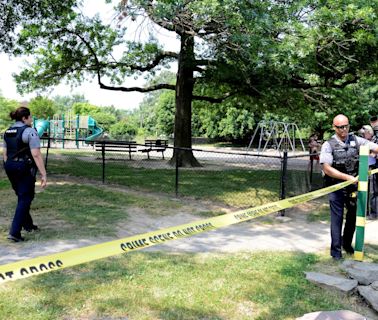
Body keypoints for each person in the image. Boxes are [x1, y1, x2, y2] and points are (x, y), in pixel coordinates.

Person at [320, 114, 378, 260]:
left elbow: (375, 147)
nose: (344, 129)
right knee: (337, 218)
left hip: (353, 187)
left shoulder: (356, 140)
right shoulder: (328, 145)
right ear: (334, 127)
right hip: (336, 186)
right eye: (340, 127)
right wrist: (346, 178)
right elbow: (326, 168)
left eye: (346, 126)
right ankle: (336, 252)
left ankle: (347, 244)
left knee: (353, 217)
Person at [2, 106, 47, 242]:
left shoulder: (7, 131)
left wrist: (9, 167)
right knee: (26, 197)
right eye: (30, 117)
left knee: (22, 195)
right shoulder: (29, 132)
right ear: (24, 118)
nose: (32, 120)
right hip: (22, 167)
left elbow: (5, 153)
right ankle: (14, 233)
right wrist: (43, 174)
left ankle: (28, 225)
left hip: (9, 165)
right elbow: (36, 154)